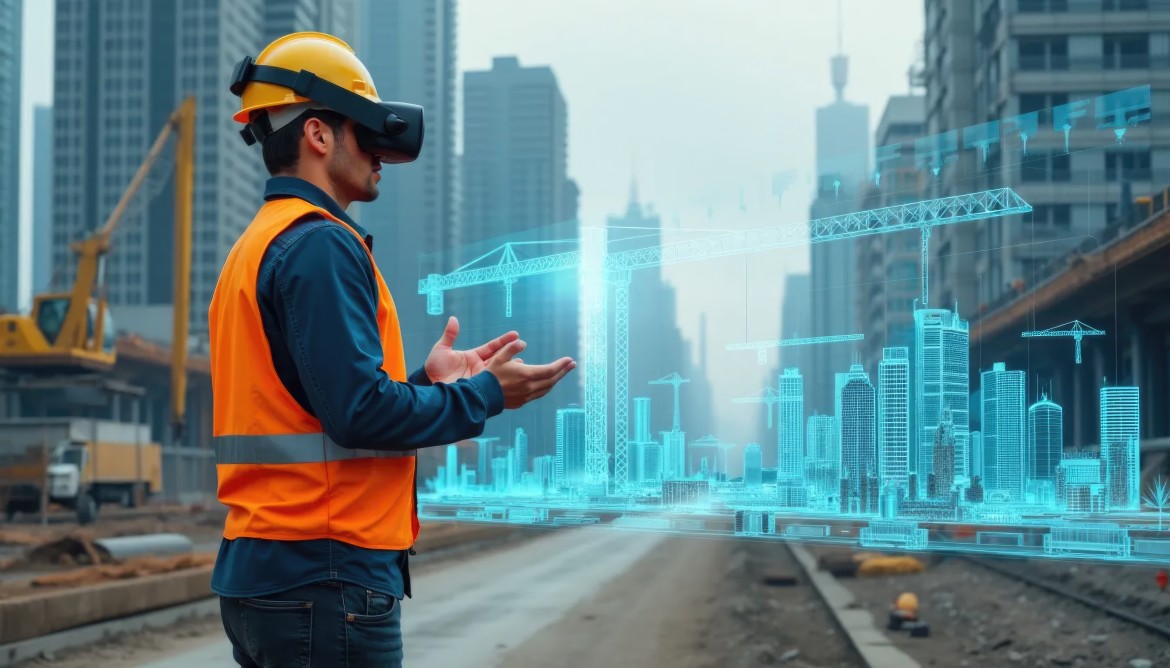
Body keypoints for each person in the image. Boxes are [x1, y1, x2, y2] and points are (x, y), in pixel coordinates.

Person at [209, 32, 576, 667]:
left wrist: (427, 385)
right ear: (319, 135)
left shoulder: (257, 246)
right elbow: (357, 415)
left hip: (268, 568)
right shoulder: (320, 245)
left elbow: (316, 404)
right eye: (365, 129)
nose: (381, 152)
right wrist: (485, 395)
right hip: (326, 574)